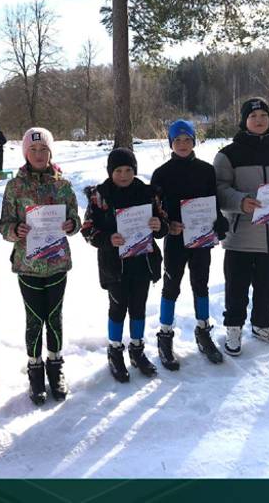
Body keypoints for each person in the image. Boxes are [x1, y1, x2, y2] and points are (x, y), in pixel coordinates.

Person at [214, 98, 269, 356]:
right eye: (253, 116)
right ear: (244, 121)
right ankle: (233, 326)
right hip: (241, 233)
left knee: (268, 284)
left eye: (264, 115)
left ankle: (263, 324)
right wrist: (241, 202)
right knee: (237, 284)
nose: (259, 120)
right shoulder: (228, 154)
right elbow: (219, 189)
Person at [0, 127, 81, 405]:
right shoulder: (15, 186)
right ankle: (35, 370)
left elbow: (74, 218)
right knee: (34, 319)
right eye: (32, 150)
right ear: (25, 152)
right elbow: (4, 224)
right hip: (28, 264)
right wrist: (15, 230)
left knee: (54, 317)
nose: (38, 154)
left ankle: (55, 366)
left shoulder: (63, 184)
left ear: (50, 152)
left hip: (57, 264)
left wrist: (72, 225)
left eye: (43, 149)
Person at [82, 148, 169, 383]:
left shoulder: (147, 192)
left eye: (129, 170)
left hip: (142, 261)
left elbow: (164, 224)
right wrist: (107, 239)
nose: (123, 175)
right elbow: (88, 230)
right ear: (110, 172)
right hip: (114, 265)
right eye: (118, 170)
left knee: (139, 306)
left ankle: (137, 349)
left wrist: (158, 225)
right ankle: (115, 349)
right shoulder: (100, 196)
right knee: (118, 307)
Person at [150, 120, 229, 369]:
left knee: (201, 284)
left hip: (201, 239)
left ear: (194, 141)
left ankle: (203, 330)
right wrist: (167, 224)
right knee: (171, 285)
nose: (183, 144)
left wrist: (219, 223)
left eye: (187, 140)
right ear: (171, 143)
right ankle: (164, 335)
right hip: (176, 240)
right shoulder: (161, 173)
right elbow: (155, 210)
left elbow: (213, 202)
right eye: (177, 140)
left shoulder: (206, 170)